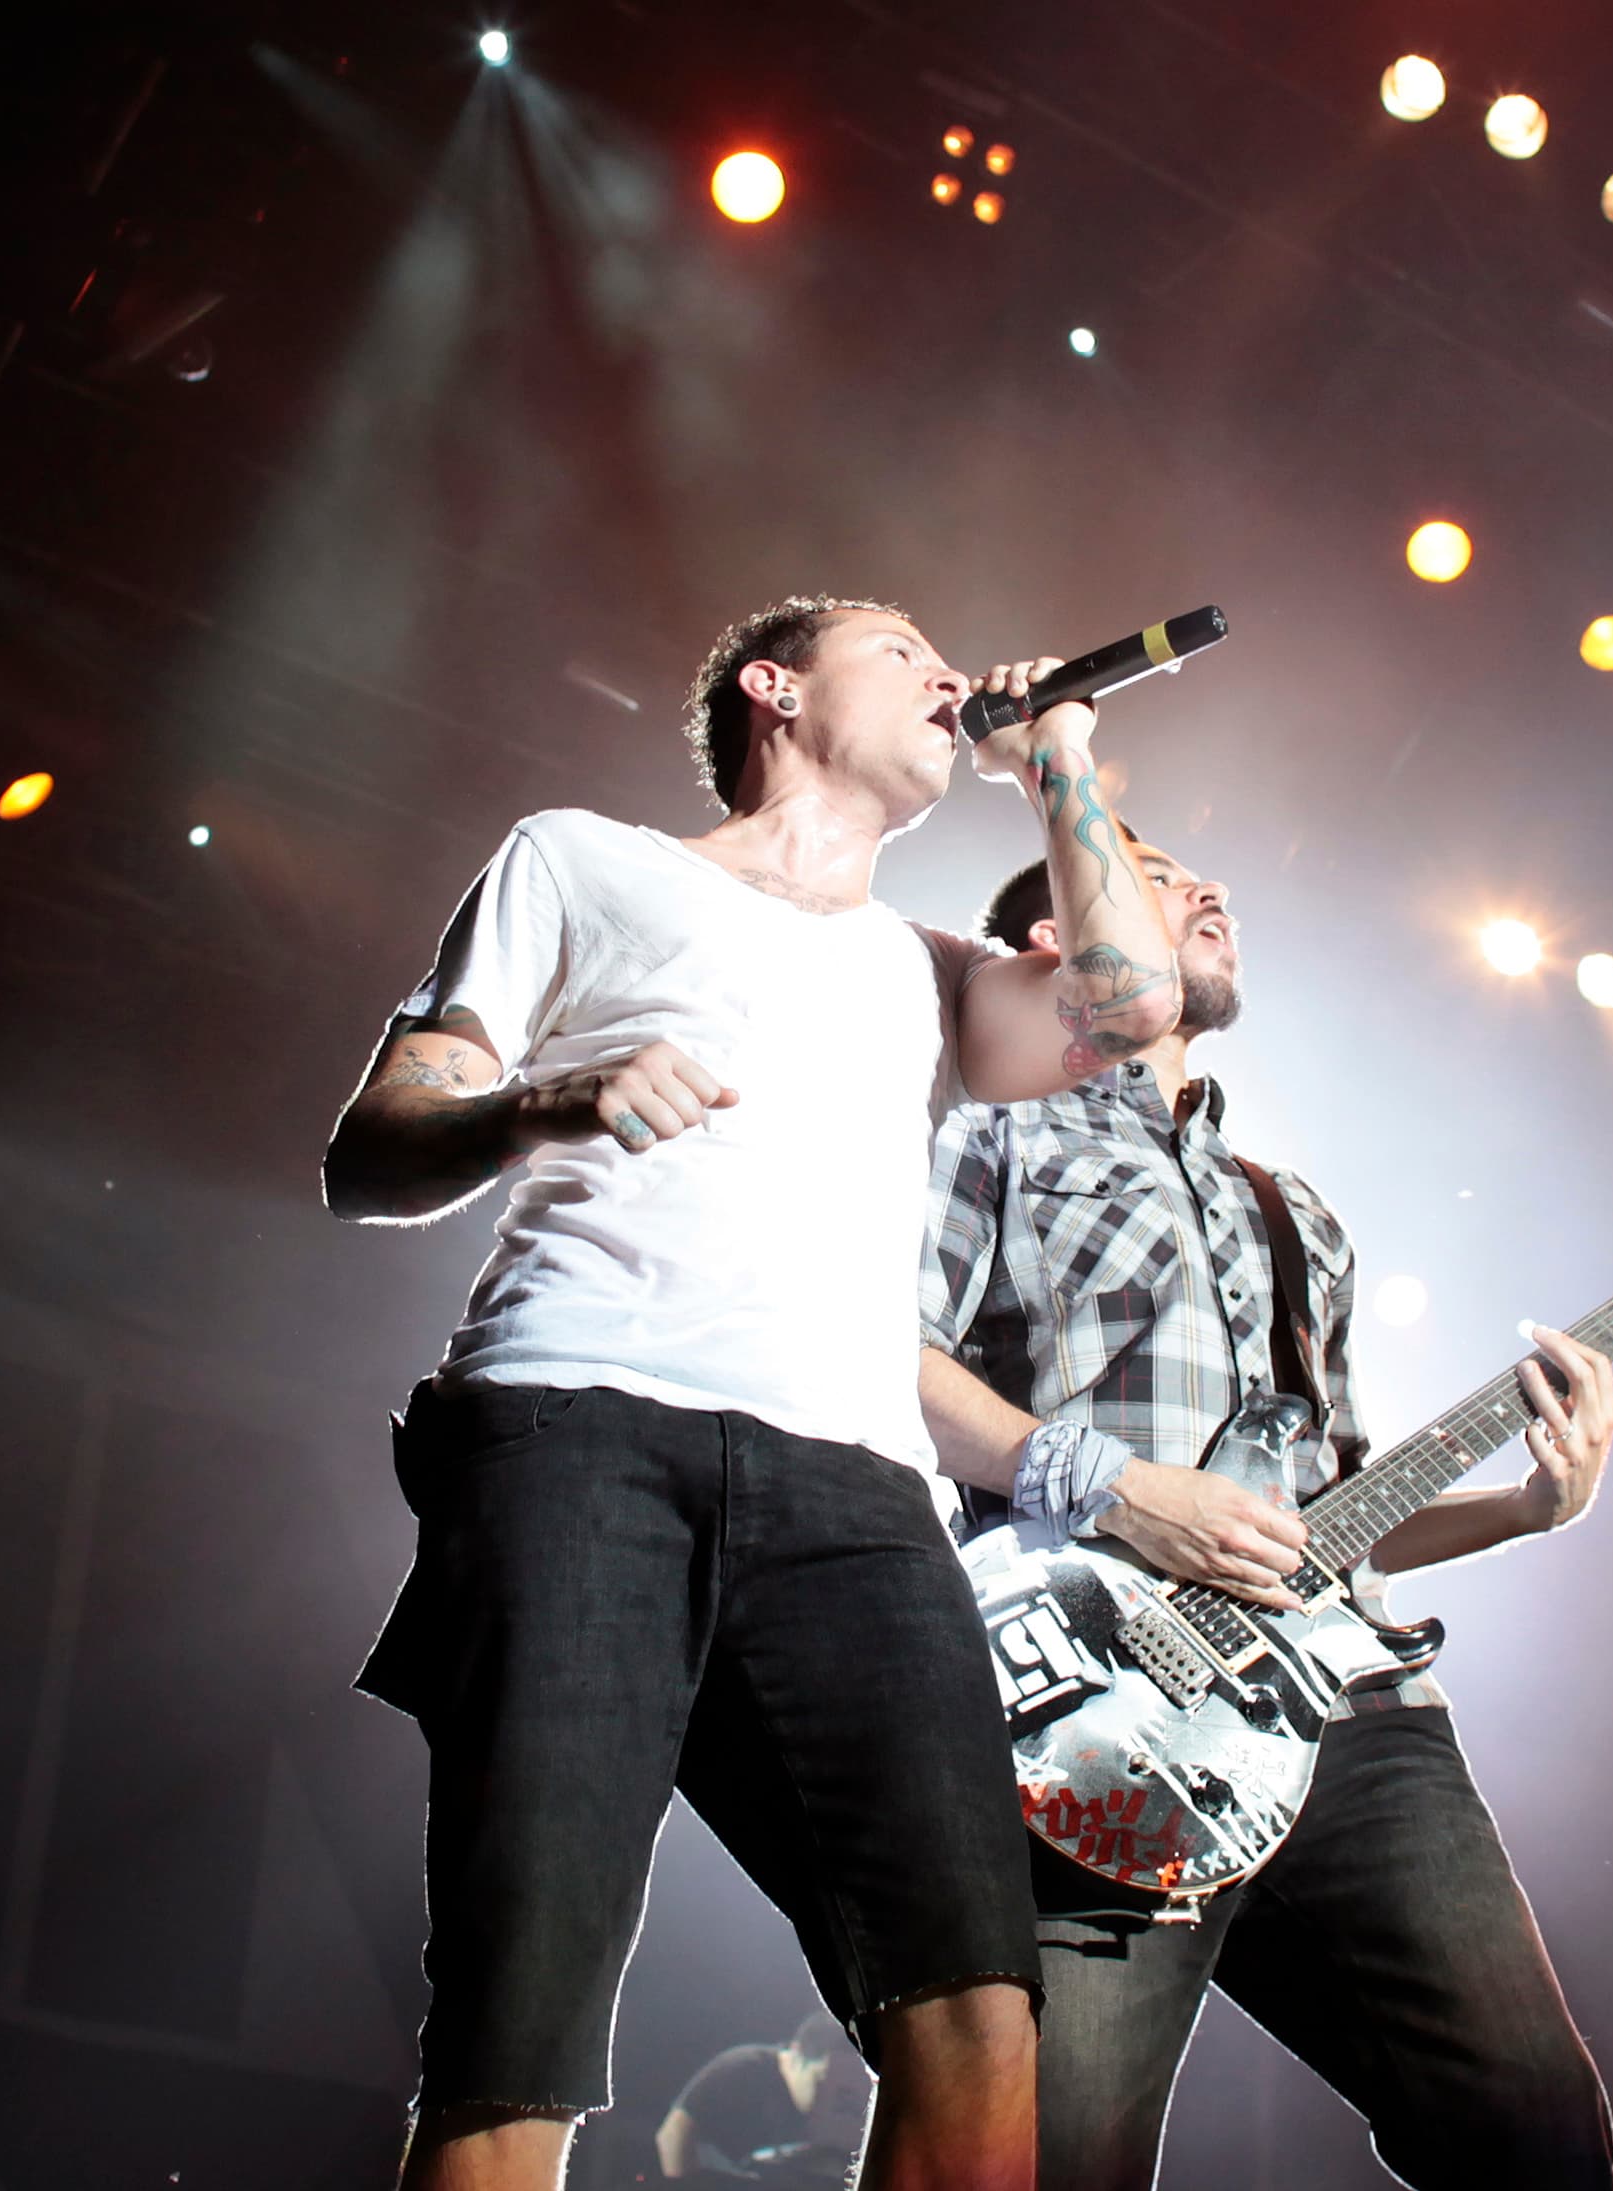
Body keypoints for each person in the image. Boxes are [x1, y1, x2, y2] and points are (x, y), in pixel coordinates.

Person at [322, 594, 1186, 2191]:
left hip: (856, 1488)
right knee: (519, 2029)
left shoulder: (923, 971)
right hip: (577, 1421)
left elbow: (1131, 1008)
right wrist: (541, 1099)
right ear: (774, 691)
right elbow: (367, 1153)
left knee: (980, 2013)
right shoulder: (582, 858)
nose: (948, 671)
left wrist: (1061, 753)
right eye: (900, 645)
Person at [916, 830, 1613, 2190]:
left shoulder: (1292, 1211)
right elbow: (879, 1357)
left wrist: (1529, 1506)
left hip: (1346, 1706)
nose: (1210, 890)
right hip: (1090, 1719)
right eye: (1157, 870)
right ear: (1058, 937)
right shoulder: (980, 1134)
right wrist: (1119, 1488)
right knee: (1051, 2160)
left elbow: (1328, 1510)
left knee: (1533, 2130)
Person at [656, 2011, 871, 2182]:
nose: (830, 2096)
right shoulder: (743, 2068)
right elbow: (673, 2135)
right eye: (821, 2080)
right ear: (797, 2056)